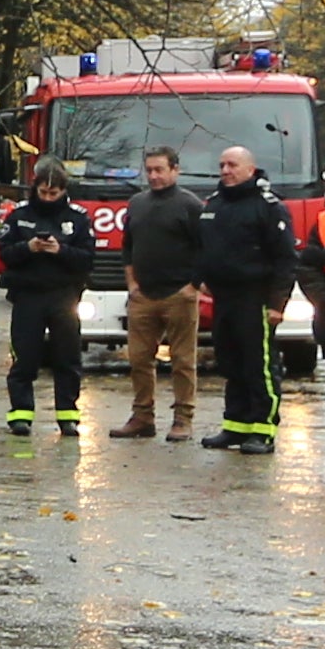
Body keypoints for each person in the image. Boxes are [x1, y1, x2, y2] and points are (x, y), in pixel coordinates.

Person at [197, 144, 300, 454]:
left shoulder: (268, 207)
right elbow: (205, 247)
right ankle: (236, 425)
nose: (225, 171)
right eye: (222, 165)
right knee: (230, 362)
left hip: (255, 298)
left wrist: (278, 304)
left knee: (259, 366)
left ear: (250, 169)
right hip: (224, 298)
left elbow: (285, 259)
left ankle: (263, 429)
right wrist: (202, 278)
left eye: (232, 165)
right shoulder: (214, 204)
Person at [112, 147, 210, 439]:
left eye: (160, 170)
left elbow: (206, 249)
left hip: (179, 294)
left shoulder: (190, 205)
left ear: (175, 170)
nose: (153, 176)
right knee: (139, 359)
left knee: (183, 361)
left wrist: (193, 286)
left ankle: (183, 419)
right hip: (143, 296)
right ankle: (142, 416)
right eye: (149, 170)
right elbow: (127, 246)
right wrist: (132, 284)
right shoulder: (137, 203)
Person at [0, 155, 93, 436]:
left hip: (64, 297)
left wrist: (61, 251)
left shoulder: (77, 218)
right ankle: (21, 415)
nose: (48, 198)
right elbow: (4, 254)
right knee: (25, 358)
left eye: (54, 193)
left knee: (67, 359)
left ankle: (68, 416)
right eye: (43, 192)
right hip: (28, 297)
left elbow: (87, 258)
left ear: (64, 191)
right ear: (35, 188)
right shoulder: (20, 216)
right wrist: (29, 248)